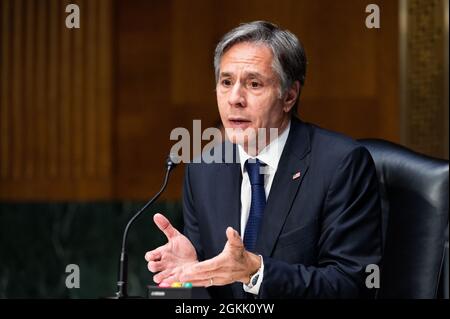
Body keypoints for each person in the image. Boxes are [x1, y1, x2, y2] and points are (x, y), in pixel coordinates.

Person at [145, 21, 382, 298]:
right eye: (226, 82)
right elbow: (209, 291)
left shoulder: (340, 164)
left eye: (254, 84)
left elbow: (352, 286)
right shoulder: (204, 170)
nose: (235, 98)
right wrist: (189, 276)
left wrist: (257, 271)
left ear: (289, 96)